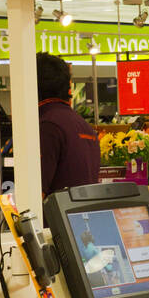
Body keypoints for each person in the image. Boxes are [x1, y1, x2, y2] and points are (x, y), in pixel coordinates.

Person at [38, 52, 100, 196]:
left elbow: (37, 194)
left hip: (53, 218)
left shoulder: (47, 126)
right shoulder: (85, 127)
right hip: (82, 216)